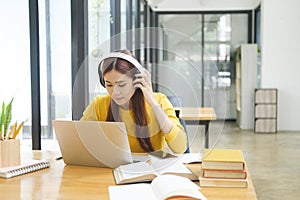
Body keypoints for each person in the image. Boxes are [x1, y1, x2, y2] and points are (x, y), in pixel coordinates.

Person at [80, 49, 187, 153]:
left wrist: (153, 103)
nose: (115, 92)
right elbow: (79, 140)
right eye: (109, 85)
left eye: (121, 84)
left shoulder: (160, 101)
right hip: (110, 170)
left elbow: (180, 147)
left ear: (136, 80)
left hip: (149, 170)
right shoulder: (99, 104)